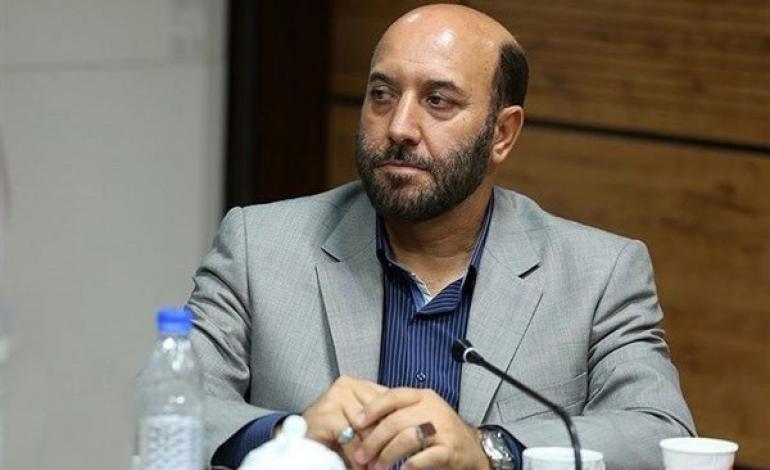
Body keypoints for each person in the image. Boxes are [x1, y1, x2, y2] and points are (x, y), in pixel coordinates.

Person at [188, 4, 695, 470]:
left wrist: (489, 449)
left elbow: (660, 433)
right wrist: (290, 433)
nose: (399, 127)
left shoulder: (598, 274)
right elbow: (174, 404)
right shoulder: (259, 246)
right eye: (382, 95)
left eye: (438, 101)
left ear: (502, 134)